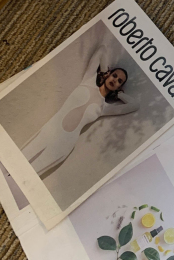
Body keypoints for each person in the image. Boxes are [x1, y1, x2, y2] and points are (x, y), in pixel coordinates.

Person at [21, 45, 139, 177]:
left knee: (30, 174)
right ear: (108, 74)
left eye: (119, 81)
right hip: (50, 129)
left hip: (65, 143)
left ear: (119, 86)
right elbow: (101, 50)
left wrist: (119, 94)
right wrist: (104, 71)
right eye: (114, 75)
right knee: (20, 158)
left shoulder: (104, 108)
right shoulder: (88, 80)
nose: (115, 80)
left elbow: (134, 105)